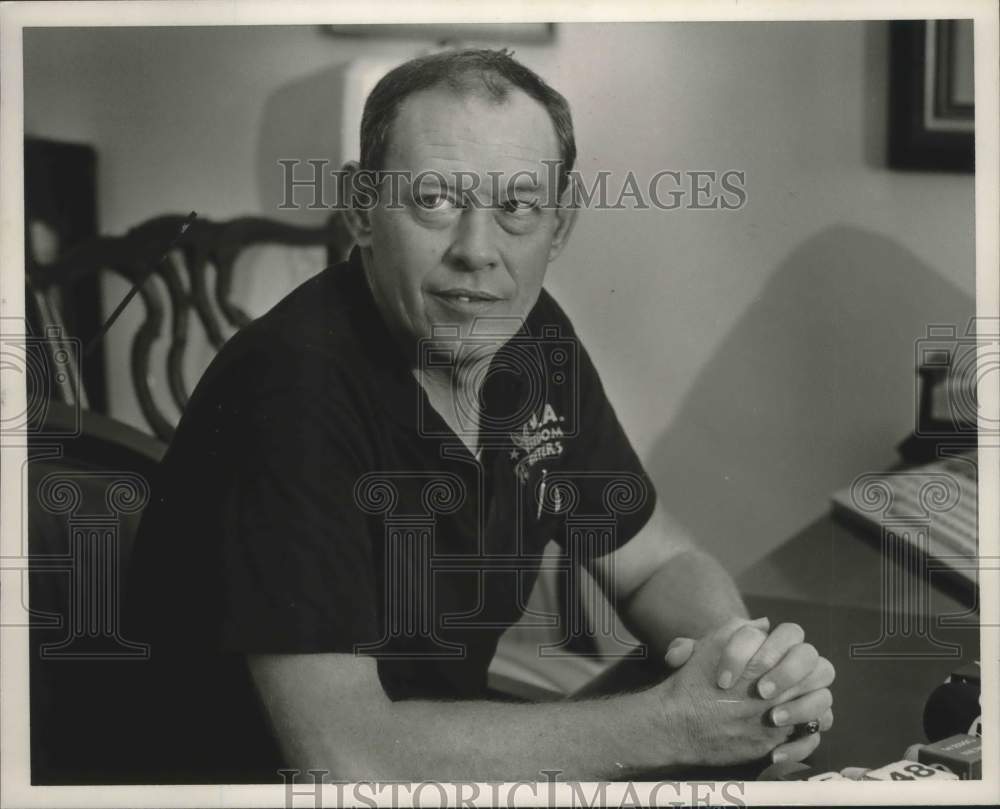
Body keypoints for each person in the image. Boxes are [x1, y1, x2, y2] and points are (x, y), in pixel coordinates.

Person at [124, 48, 834, 783]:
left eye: (517, 207)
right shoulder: (289, 391)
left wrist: (748, 672)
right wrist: (672, 724)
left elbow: (656, 563)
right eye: (433, 199)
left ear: (558, 228)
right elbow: (345, 758)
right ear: (361, 209)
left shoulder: (529, 337)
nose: (477, 251)